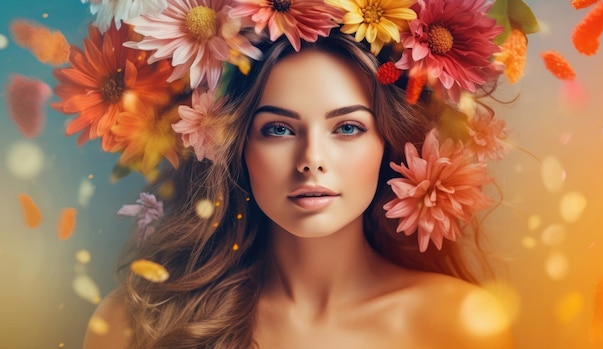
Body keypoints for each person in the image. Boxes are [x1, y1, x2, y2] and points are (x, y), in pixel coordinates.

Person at [73, 1, 527, 348]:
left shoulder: (459, 324)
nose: (311, 159)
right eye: (278, 129)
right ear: (235, 147)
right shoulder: (137, 323)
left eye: (347, 127)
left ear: (388, 143)